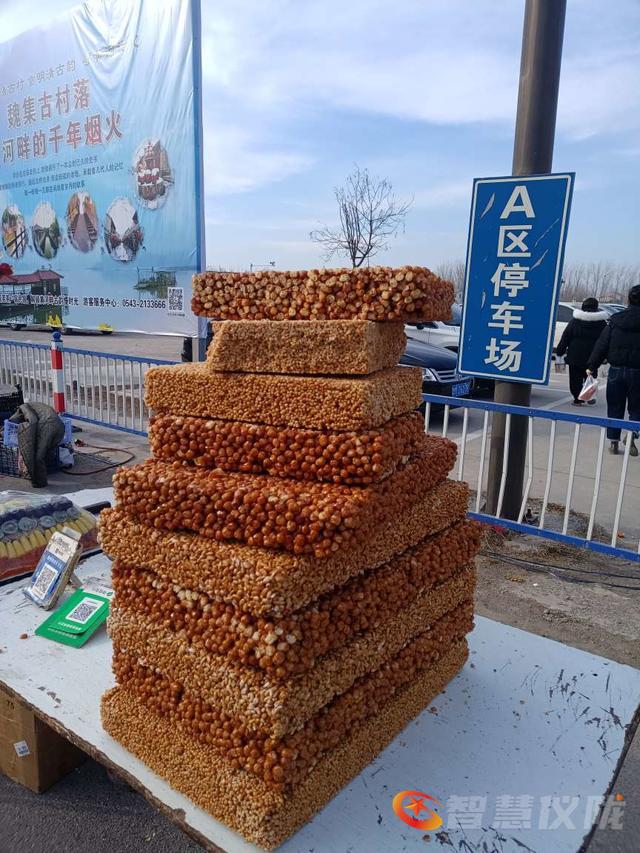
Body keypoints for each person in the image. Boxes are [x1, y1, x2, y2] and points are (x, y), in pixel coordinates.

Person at [587, 284, 640, 456]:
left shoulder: (616, 320)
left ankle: (613, 442)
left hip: (616, 371)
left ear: (628, 299)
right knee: (637, 408)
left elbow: (602, 345)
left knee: (615, 407)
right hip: (638, 373)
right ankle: (631, 436)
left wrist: (592, 366)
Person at [556, 297, 608, 405]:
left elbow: (566, 337)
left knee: (575, 380)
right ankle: (589, 396)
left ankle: (577, 399)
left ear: (583, 306)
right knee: (590, 377)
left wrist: (560, 350)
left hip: (575, 356)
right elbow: (605, 341)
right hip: (593, 357)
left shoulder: (575, 321)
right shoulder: (602, 323)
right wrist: (605, 355)